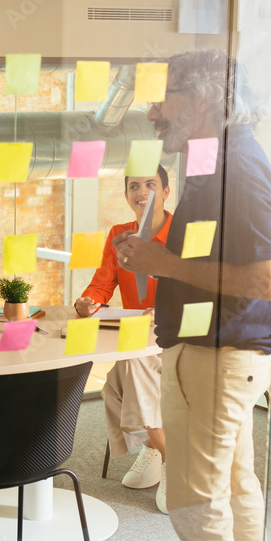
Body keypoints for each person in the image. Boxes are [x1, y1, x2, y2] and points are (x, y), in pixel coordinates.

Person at [114, 49, 271, 541]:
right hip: (219, 352)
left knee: (196, 499)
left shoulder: (241, 166)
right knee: (234, 491)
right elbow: (212, 252)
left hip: (216, 355)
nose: (154, 111)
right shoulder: (213, 159)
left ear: (203, 98)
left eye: (165, 97)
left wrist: (162, 260)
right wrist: (161, 254)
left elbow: (260, 279)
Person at [76, 165, 172, 513]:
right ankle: (155, 445)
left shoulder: (187, 235)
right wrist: (89, 302)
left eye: (151, 185)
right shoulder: (119, 234)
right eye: (134, 186)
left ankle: (170, 460)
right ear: (127, 194)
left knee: (131, 367)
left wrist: (172, 311)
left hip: (186, 340)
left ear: (166, 191)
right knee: (113, 385)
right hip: (140, 338)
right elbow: (102, 284)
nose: (141, 192)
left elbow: (207, 290)